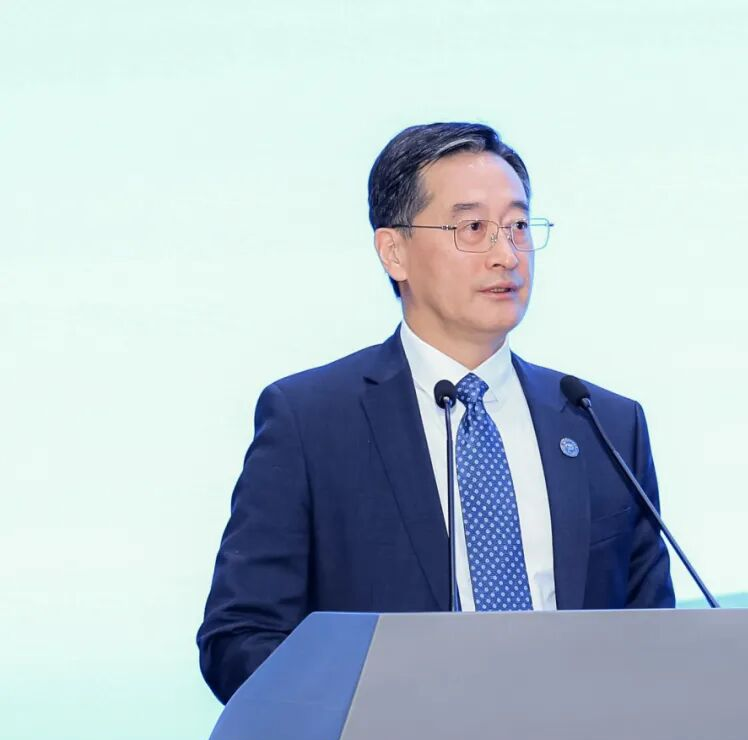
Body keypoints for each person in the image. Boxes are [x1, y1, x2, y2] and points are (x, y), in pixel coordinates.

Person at [197, 122, 674, 704]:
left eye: (519, 227)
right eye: (473, 229)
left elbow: (655, 640)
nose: (506, 255)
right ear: (394, 251)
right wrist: (368, 715)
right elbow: (240, 637)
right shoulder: (311, 422)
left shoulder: (602, 424)